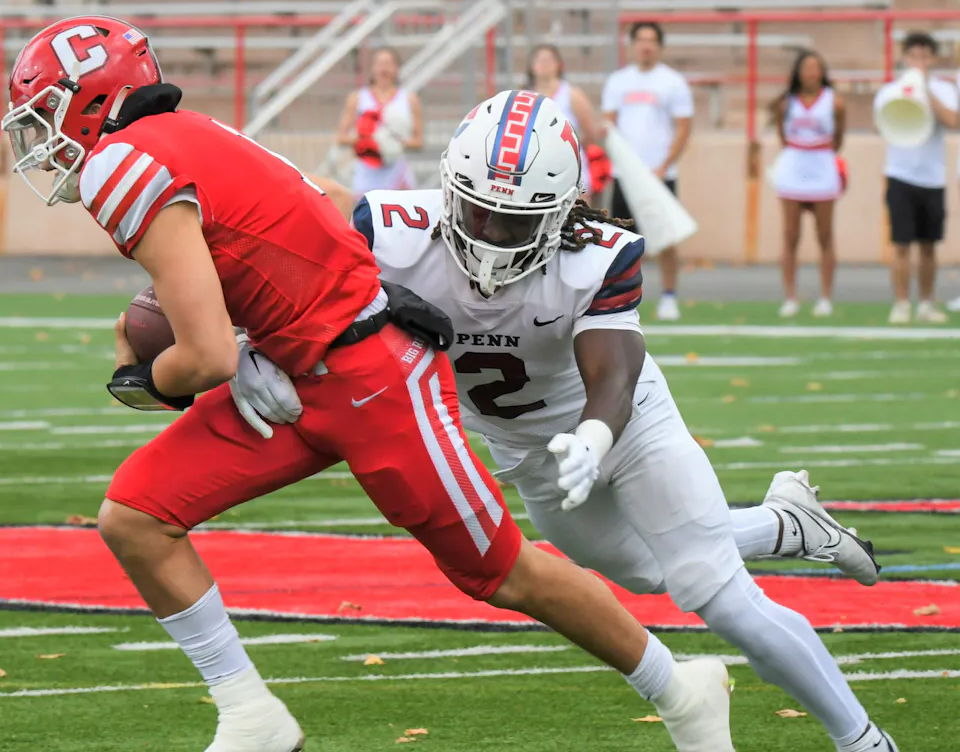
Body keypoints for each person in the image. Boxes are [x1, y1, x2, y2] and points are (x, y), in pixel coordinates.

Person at [3, 17, 733, 752]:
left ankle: (679, 689)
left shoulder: (118, 164)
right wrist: (264, 337)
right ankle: (249, 713)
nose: (40, 139)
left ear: (89, 100)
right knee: (136, 514)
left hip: (374, 376)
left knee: (500, 572)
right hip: (297, 369)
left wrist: (142, 378)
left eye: (45, 114)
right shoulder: (187, 132)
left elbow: (204, 356)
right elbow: (316, 202)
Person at [260, 90, 893, 752]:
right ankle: (786, 523)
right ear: (449, 190)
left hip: (628, 428)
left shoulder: (596, 256)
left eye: (514, 222)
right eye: (478, 211)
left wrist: (594, 437)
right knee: (649, 573)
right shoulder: (389, 229)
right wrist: (259, 347)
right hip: (531, 457)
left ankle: (864, 740)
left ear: (559, 212)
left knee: (717, 593)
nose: (490, 235)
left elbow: (613, 377)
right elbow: (281, 227)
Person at [601, 22, 694, 321]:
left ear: (659, 46)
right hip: (626, 176)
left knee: (665, 239)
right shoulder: (618, 81)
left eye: (652, 40)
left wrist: (664, 165)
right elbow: (609, 125)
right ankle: (619, 300)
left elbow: (683, 128)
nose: (646, 46)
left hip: (659, 175)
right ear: (632, 45)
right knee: (620, 240)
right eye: (640, 40)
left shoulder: (673, 82)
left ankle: (669, 297)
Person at [875, 31, 958, 324]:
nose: (919, 61)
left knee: (928, 246)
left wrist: (926, 92)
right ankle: (900, 303)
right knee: (901, 244)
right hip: (900, 174)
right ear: (904, 57)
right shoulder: (890, 90)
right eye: (914, 56)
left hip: (932, 177)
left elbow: (953, 120)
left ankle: (926, 303)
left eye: (925, 56)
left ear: (933, 58)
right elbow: (883, 124)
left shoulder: (943, 89)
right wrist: (909, 93)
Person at [770, 51, 846, 319]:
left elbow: (839, 137)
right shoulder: (786, 103)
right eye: (807, 68)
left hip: (822, 166)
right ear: (798, 72)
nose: (811, 73)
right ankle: (790, 297)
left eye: (816, 68)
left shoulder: (834, 102)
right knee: (790, 235)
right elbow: (782, 135)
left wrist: (821, 152)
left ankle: (825, 297)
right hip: (794, 167)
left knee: (825, 235)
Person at [334, 46, 422, 201]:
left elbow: (418, 141)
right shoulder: (357, 98)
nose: (384, 69)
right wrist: (369, 140)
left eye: (388, 64)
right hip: (366, 179)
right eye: (380, 63)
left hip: (398, 178)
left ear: (396, 68)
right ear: (373, 68)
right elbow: (341, 137)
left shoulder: (409, 99)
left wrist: (391, 143)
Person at [527, 44, 604, 180]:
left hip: (569, 170)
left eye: (549, 60)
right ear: (532, 66)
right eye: (540, 60)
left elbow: (590, 132)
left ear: (559, 65)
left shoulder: (571, 94)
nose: (544, 64)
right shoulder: (526, 97)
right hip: (536, 171)